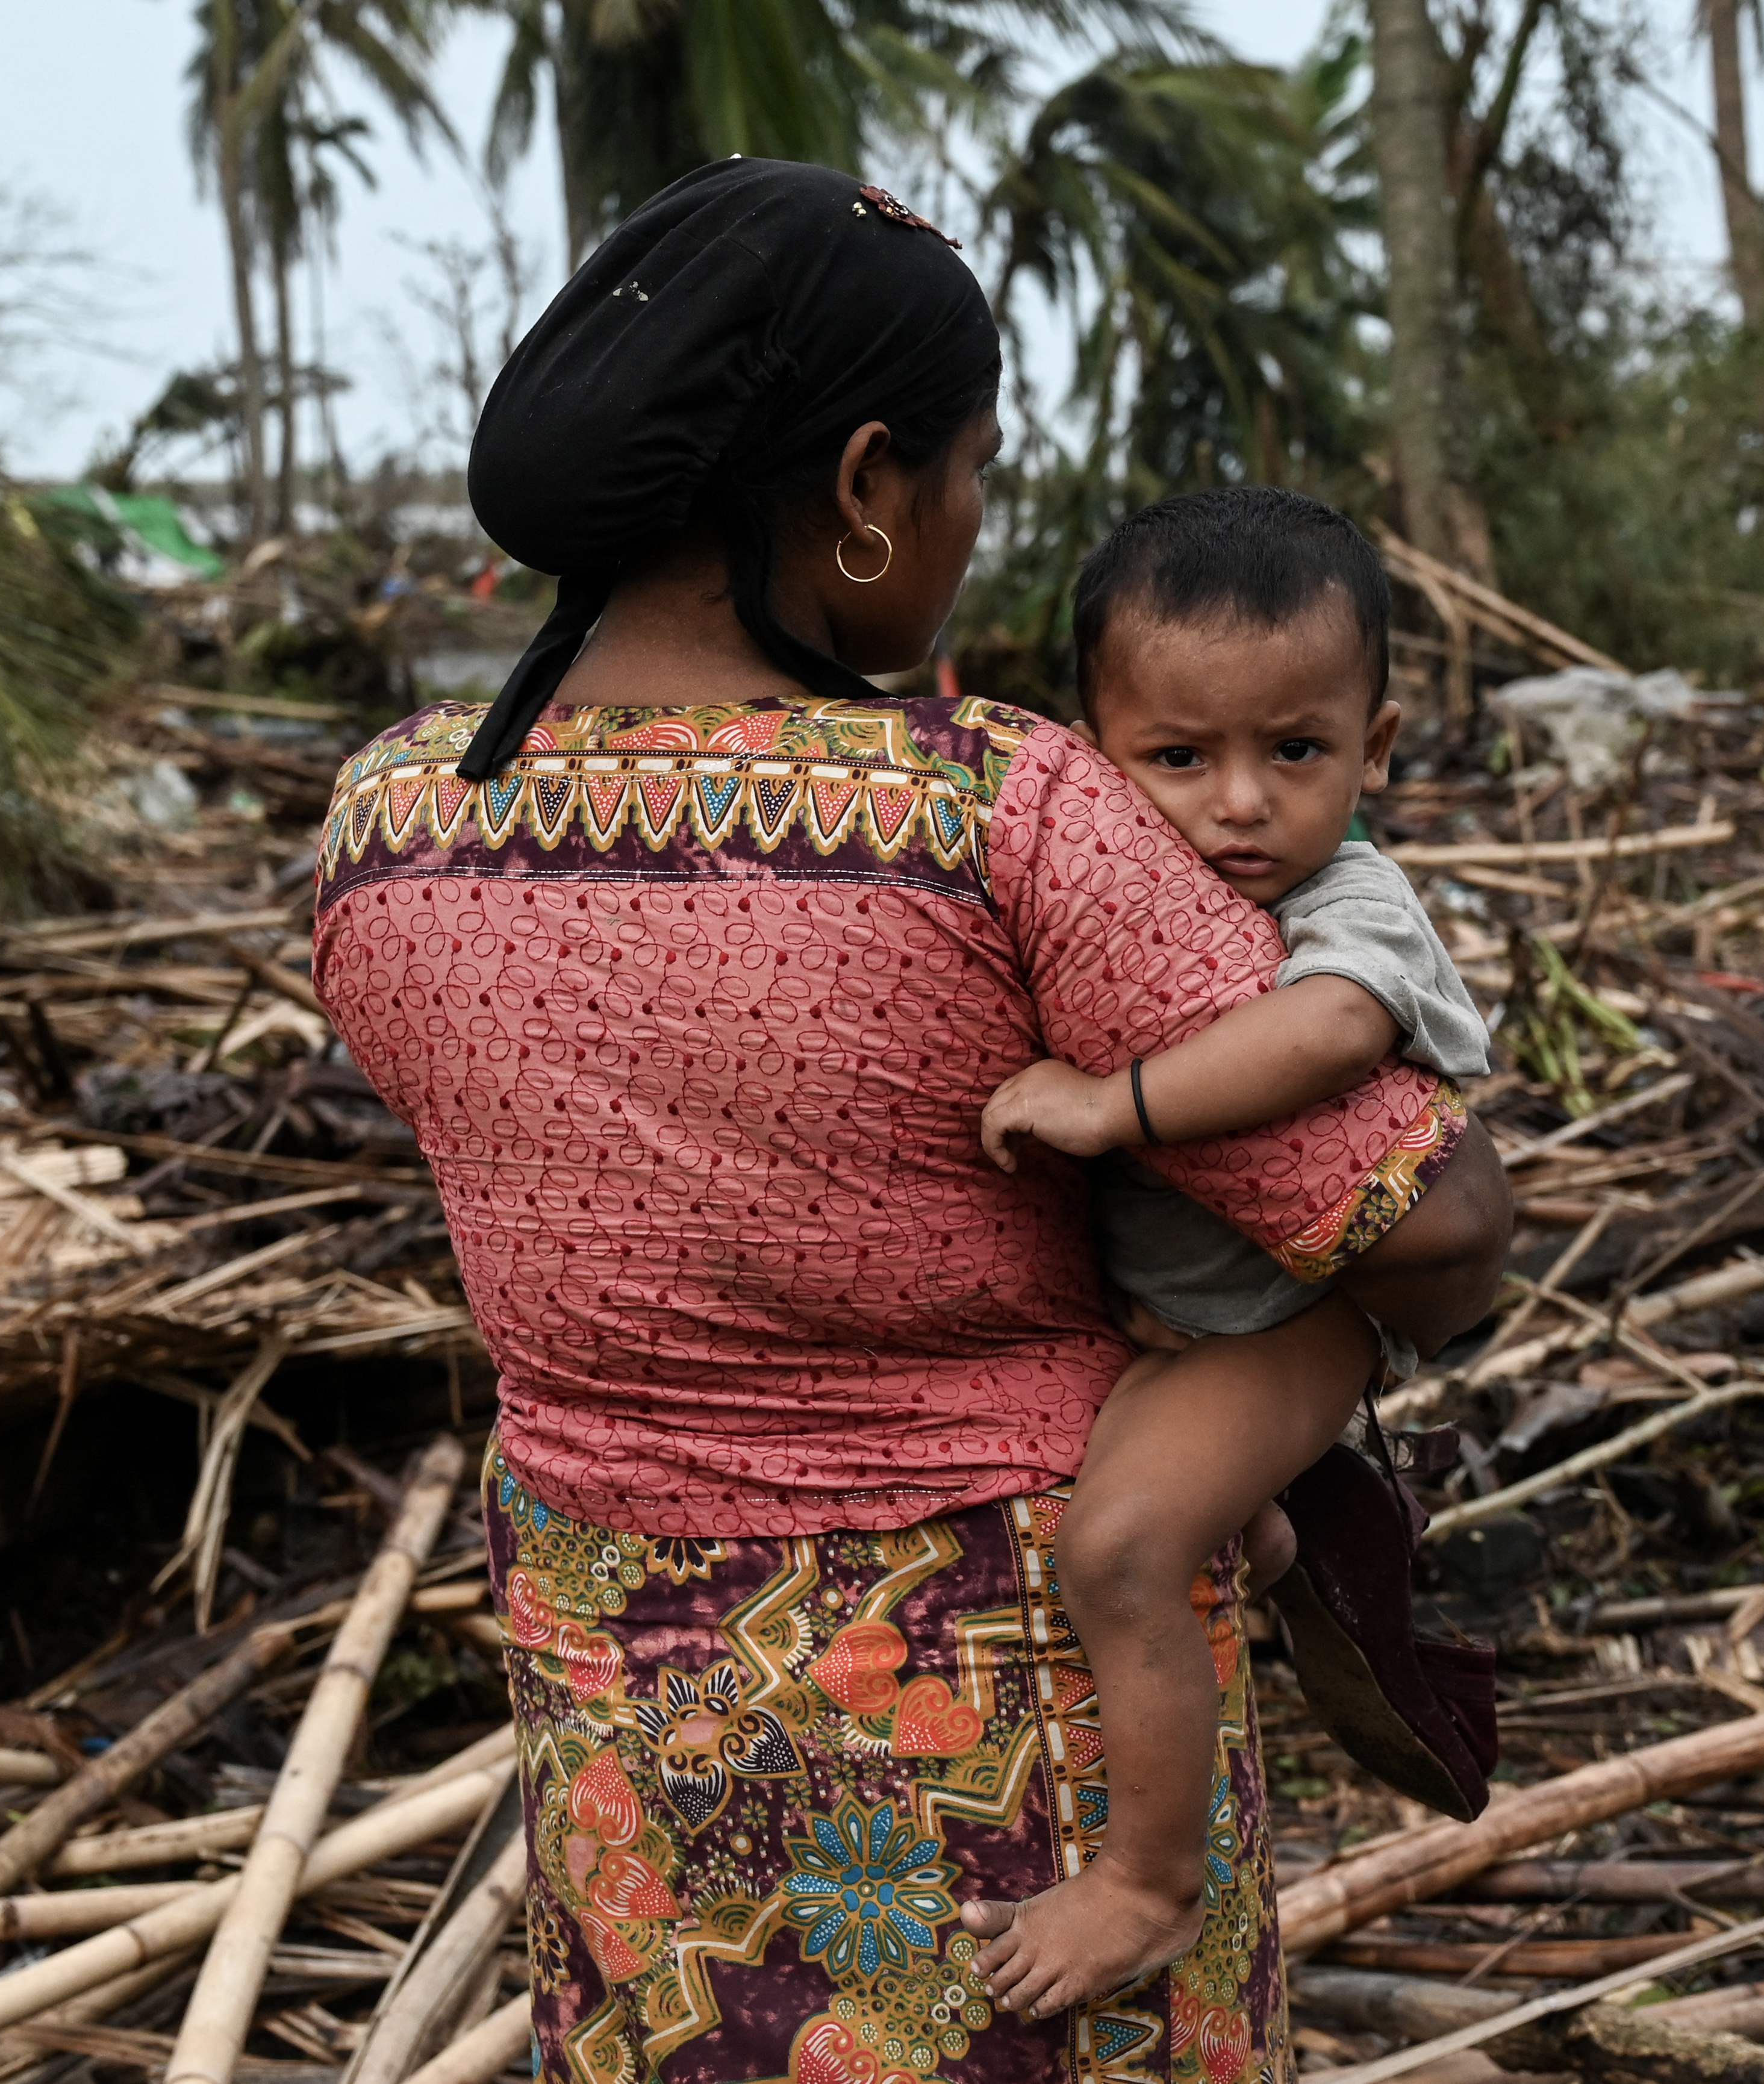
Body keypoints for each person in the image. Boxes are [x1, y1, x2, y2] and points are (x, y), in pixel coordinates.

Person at [312, 158, 1508, 2084]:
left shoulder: (382, 826)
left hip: (627, 1732)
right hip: (1007, 1752)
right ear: (867, 487)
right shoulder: (983, 808)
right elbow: (1425, 1230)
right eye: (965, 471)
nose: (966, 521)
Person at [964, 488, 1497, 2018]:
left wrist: (1106, 1102)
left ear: (1376, 748)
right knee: (1156, 1506)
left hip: (1298, 1316)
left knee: (1118, 1547)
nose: (1241, 804)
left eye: (1298, 751)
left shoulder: (1353, 902)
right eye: (1180, 757)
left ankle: (1148, 1879)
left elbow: (1330, 1029)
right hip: (1184, 1315)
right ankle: (1268, 1522)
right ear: (1090, 753)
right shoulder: (1109, 886)